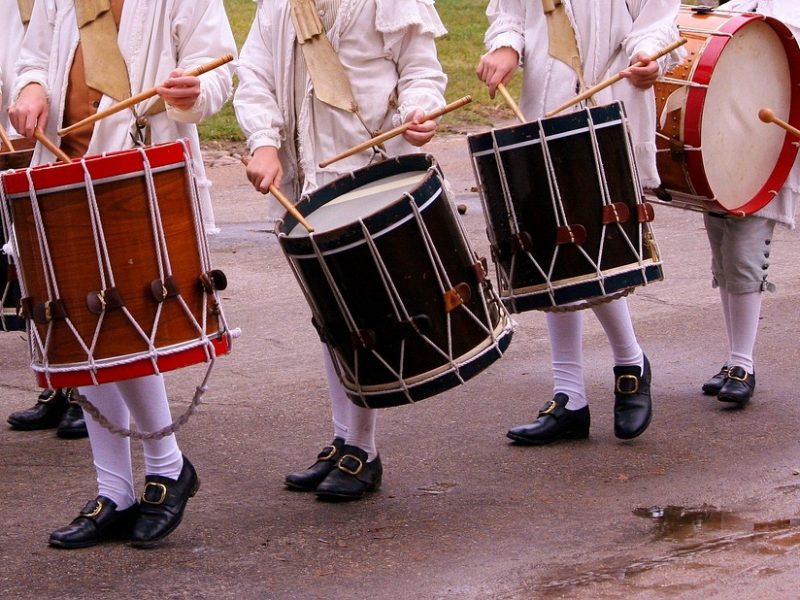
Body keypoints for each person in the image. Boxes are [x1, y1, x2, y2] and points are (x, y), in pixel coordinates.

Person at [9, 0, 236, 548]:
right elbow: (31, 58)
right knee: (83, 335)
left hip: (140, 174)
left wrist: (195, 92)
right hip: (60, 174)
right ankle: (115, 489)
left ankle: (165, 467)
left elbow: (222, 68)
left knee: (126, 325)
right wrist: (32, 88)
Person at [234, 0, 447, 500]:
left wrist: (420, 110)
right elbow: (256, 75)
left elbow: (419, 68)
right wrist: (263, 142)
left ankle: (363, 450)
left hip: (370, 177)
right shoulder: (280, 5)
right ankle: (344, 435)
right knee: (331, 318)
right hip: (312, 182)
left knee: (363, 320)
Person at [476, 0, 682, 443]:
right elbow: (511, 12)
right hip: (544, 106)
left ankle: (629, 361)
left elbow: (657, 21)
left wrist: (649, 56)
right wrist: (508, 46)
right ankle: (570, 395)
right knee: (556, 244)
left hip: (611, 105)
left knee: (596, 245)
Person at [697, 0, 800, 406]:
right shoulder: (737, 8)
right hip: (722, 150)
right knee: (724, 251)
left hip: (767, 153)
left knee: (743, 254)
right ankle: (733, 361)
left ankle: (743, 364)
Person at [1, 0, 88, 439]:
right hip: (46, 129)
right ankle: (59, 382)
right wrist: (28, 87)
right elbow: (29, 53)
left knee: (87, 275)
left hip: (97, 131)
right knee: (45, 270)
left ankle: (85, 391)